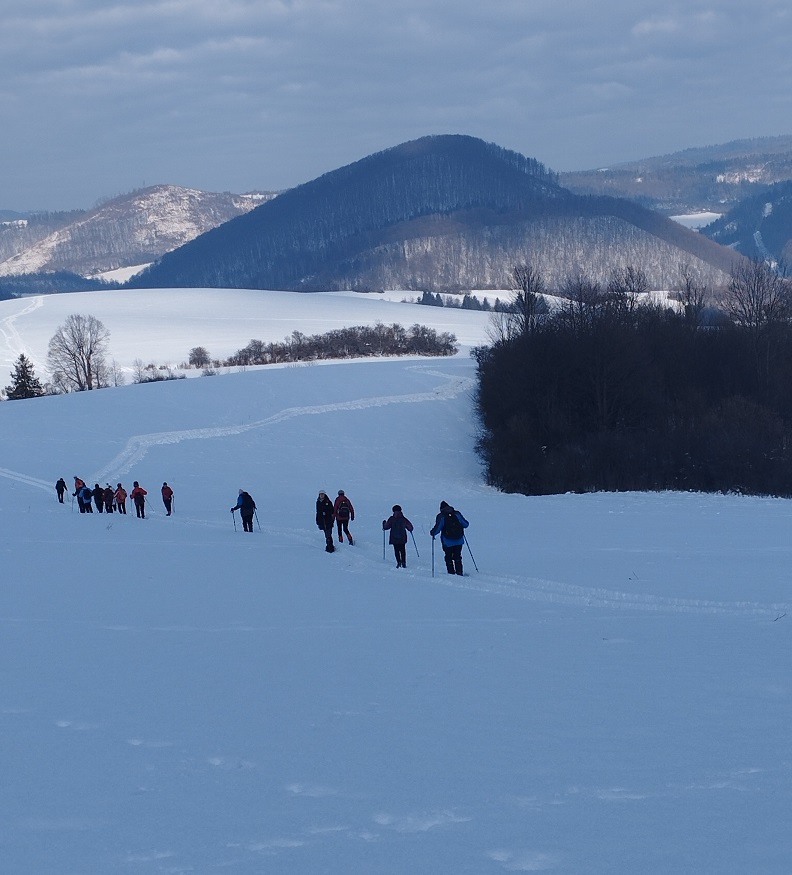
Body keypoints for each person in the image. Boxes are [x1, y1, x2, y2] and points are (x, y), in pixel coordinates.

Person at [430, 500, 469, 576]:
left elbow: (437, 528)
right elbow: (466, 524)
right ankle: (459, 572)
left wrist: (432, 533)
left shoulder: (441, 516)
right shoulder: (457, 514)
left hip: (447, 541)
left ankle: (451, 573)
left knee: (448, 557)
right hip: (459, 540)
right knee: (458, 556)